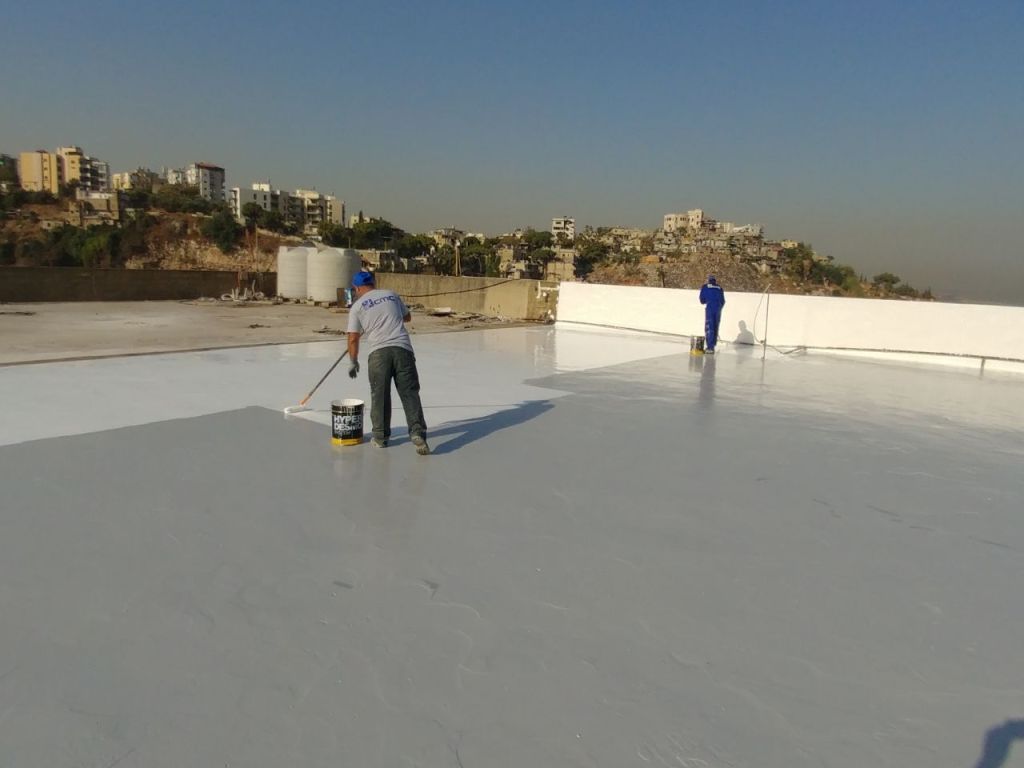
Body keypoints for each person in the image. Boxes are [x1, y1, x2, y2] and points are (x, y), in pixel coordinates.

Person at [346, 271, 430, 454]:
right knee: (410, 393)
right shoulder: (391, 295)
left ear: (357, 288)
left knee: (380, 395)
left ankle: (380, 437)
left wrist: (353, 361)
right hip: (403, 350)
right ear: (373, 283)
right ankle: (417, 433)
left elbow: (352, 338)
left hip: (378, 354)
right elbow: (407, 317)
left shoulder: (357, 307)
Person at [699, 275, 726, 354]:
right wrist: (719, 306)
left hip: (710, 307)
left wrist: (707, 301)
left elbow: (702, 300)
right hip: (718, 308)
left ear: (709, 280)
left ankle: (710, 347)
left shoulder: (705, 287)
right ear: (715, 281)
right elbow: (723, 301)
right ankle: (713, 345)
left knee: (709, 326)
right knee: (715, 326)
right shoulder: (719, 288)